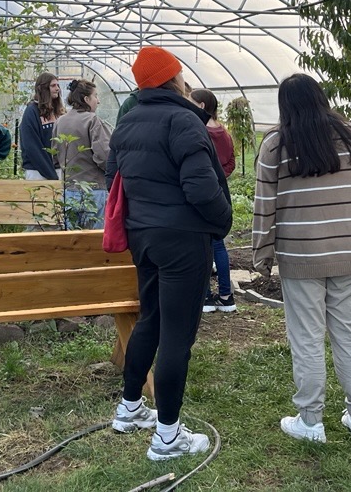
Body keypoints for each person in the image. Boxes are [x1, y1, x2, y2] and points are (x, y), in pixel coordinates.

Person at [107, 46, 232, 461]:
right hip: (182, 239)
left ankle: (129, 408)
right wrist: (222, 221)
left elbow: (115, 179)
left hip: (143, 236)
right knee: (178, 336)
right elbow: (200, 187)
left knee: (151, 319)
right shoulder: (183, 119)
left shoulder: (126, 123)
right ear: (173, 79)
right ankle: (167, 437)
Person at [253, 73, 351, 444]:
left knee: (307, 338)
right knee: (347, 332)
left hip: (301, 253)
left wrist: (261, 251)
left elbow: (265, 205)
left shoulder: (277, 143)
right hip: (350, 250)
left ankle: (311, 421)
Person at [189, 88, 238, 313]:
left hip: (202, 193)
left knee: (204, 245)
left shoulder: (198, 132)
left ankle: (207, 296)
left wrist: (206, 179)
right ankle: (226, 295)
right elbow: (230, 163)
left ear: (201, 106)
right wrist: (219, 179)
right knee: (219, 243)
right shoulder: (223, 132)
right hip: (220, 193)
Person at [52, 79, 112, 228]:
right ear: (86, 99)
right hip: (93, 190)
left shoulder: (60, 121)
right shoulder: (93, 121)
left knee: (72, 241)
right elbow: (105, 157)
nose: (98, 101)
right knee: (94, 241)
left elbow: (55, 154)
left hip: (68, 190)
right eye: (96, 96)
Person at [19, 72, 64, 180]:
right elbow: (32, 147)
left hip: (58, 169)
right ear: (43, 88)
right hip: (37, 172)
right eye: (53, 86)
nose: (57, 88)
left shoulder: (58, 111)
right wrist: (50, 174)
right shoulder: (31, 111)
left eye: (58, 85)